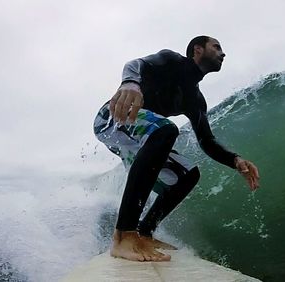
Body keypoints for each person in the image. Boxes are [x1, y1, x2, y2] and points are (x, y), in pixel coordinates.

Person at [93, 36, 260, 262]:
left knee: (188, 174)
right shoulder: (171, 60)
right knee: (166, 130)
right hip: (112, 117)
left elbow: (206, 141)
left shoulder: (196, 100)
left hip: (141, 135)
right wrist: (130, 83)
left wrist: (235, 160)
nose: (223, 53)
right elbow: (135, 64)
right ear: (198, 49)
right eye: (217, 47)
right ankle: (124, 235)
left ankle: (145, 232)